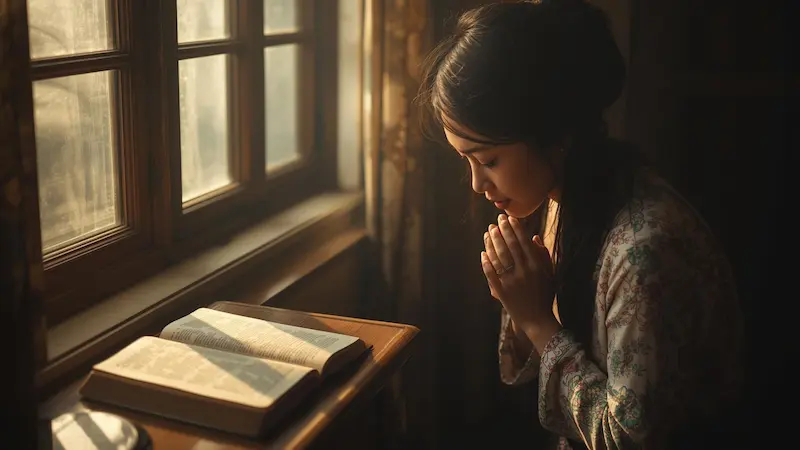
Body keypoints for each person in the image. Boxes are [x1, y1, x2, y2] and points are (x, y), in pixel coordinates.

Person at [415, 1, 744, 449]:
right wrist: (522, 302)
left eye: (488, 160)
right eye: (465, 160)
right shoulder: (561, 200)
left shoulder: (645, 252)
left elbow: (626, 437)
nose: (476, 184)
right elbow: (527, 369)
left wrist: (533, 316)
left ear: (555, 134)